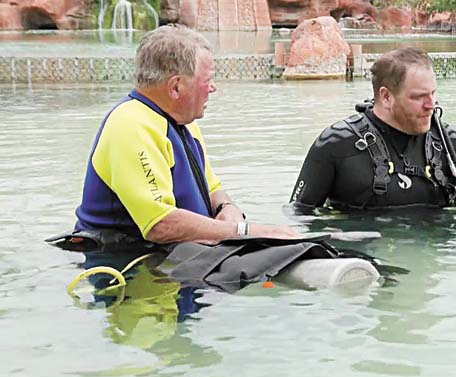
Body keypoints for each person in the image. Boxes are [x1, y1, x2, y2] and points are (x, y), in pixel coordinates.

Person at [73, 25, 298, 246]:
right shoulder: (130, 125)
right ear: (176, 87)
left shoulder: (184, 122)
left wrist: (226, 208)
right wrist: (246, 232)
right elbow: (160, 224)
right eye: (207, 80)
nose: (213, 88)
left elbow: (211, 187)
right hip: (126, 266)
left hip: (180, 257)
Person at [289, 47, 456, 211]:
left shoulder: (449, 142)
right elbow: (299, 216)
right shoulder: (335, 145)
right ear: (386, 96)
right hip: (366, 255)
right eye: (418, 97)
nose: (431, 105)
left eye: (432, 94)